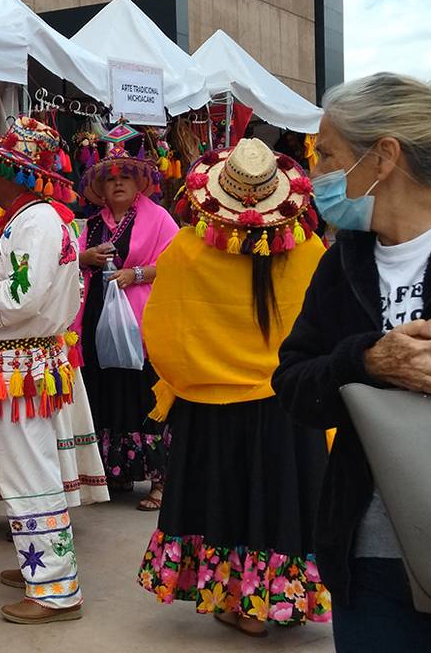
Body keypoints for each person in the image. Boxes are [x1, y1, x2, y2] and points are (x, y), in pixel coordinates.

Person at [273, 74, 431, 651]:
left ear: (383, 156)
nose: (316, 172)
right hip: (368, 555)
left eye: (327, 154)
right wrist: (367, 360)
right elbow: (294, 381)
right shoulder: (340, 263)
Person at [137, 138, 332, 636]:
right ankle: (279, 599)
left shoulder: (187, 249)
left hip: (213, 402)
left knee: (228, 499)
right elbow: (328, 327)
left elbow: (162, 331)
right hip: (289, 401)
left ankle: (239, 602)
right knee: (281, 500)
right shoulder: (309, 249)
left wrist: (184, 379)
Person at [0, 117, 105, 624]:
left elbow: (22, 296)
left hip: (19, 364)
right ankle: (40, 565)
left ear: (18, 175)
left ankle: (55, 588)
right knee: (32, 468)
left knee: (27, 473)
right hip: (26, 363)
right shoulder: (40, 220)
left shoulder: (35, 223)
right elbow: (42, 287)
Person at [74, 148, 178, 511]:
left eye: (125, 178)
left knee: (142, 394)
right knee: (105, 390)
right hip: (95, 318)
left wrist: (134, 274)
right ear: (100, 188)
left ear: (138, 185)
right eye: (110, 179)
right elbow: (69, 261)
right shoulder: (91, 225)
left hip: (139, 321)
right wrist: (84, 259)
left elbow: (175, 263)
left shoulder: (159, 218)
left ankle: (161, 483)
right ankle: (114, 472)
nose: (117, 183)